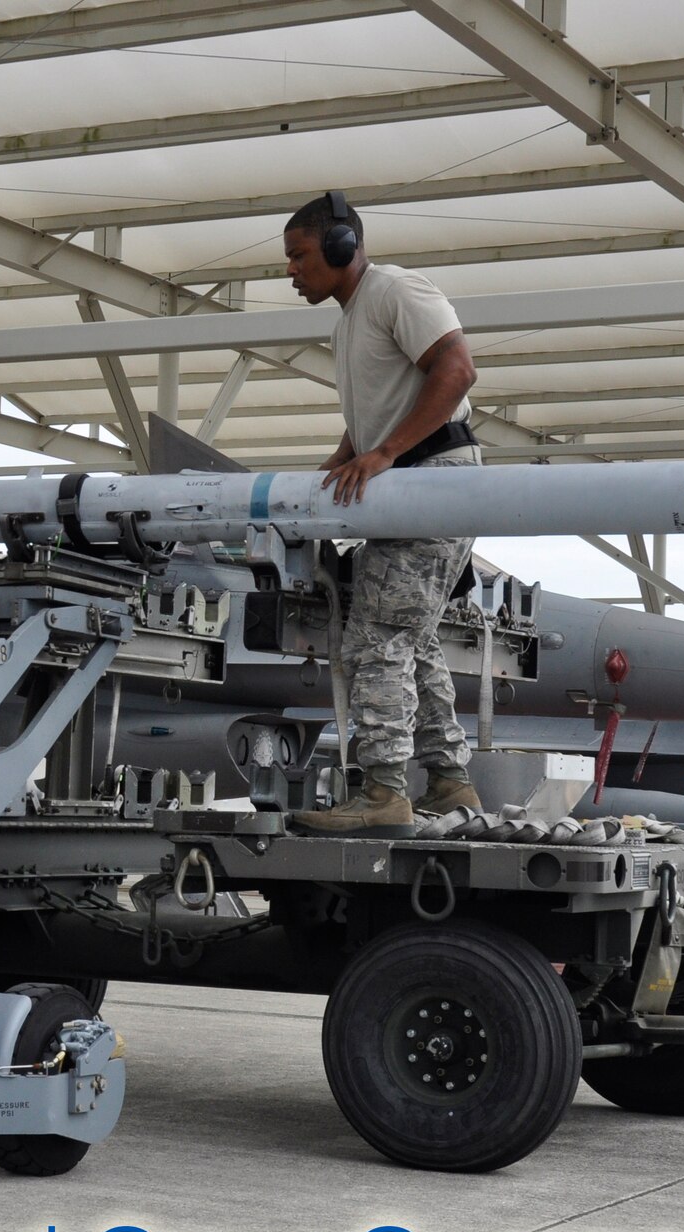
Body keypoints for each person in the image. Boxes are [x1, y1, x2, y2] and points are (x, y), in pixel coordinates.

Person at [281, 192, 484, 836]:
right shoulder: (348, 322)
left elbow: (456, 370)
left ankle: (384, 793)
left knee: (376, 637)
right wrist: (343, 460)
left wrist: (386, 454)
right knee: (411, 638)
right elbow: (371, 413)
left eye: (300, 256)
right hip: (411, 482)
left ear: (342, 246)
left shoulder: (396, 291)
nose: (292, 271)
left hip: (429, 481)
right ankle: (449, 781)